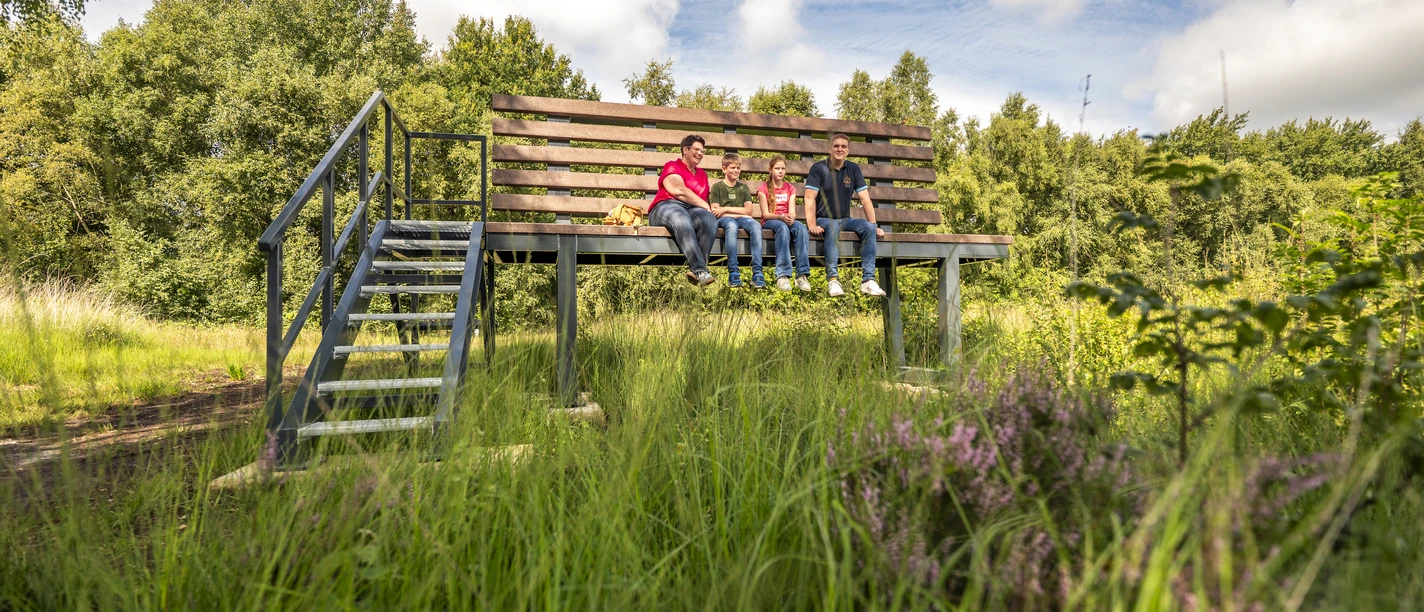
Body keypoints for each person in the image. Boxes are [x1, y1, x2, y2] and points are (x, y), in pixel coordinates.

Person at [804, 133, 887, 297]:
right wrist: (812, 225)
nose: (839, 149)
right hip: (824, 219)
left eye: (843, 146)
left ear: (848, 151)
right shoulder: (818, 168)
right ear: (830, 149)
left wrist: (874, 225)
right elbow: (809, 197)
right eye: (836, 146)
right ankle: (833, 279)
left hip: (845, 220)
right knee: (833, 225)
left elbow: (865, 199)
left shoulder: (853, 169)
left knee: (869, 227)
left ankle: (868, 281)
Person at [648, 135, 717, 286]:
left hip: (691, 211)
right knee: (681, 218)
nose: (700, 153)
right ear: (685, 150)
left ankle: (698, 271)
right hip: (665, 207)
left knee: (709, 219)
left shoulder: (702, 175)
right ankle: (700, 270)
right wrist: (706, 206)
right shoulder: (672, 166)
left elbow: (704, 206)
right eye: (696, 149)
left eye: (702, 151)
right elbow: (678, 190)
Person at [709, 153, 766, 288]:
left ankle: (757, 273)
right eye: (733, 167)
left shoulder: (743, 188)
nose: (736, 171)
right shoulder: (717, 187)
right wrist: (726, 211)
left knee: (756, 226)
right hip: (725, 220)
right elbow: (716, 211)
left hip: (742, 218)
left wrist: (725, 209)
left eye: (738, 168)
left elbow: (749, 211)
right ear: (724, 169)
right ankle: (733, 272)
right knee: (731, 226)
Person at [757, 155, 811, 291]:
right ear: (770, 170)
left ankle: (801, 275)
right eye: (777, 168)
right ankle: (783, 275)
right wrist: (781, 217)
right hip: (771, 221)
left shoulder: (790, 188)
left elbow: (792, 211)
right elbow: (765, 214)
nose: (780, 171)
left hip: (786, 220)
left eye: (783, 169)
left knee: (800, 228)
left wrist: (791, 217)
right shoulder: (763, 189)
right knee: (782, 228)